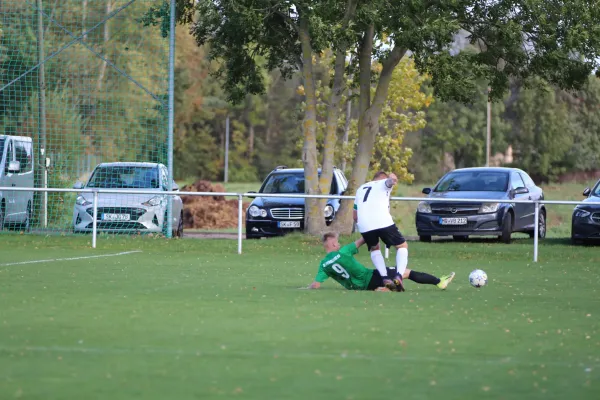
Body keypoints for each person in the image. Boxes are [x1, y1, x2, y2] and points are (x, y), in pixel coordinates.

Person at [305, 233, 455, 292]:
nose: (338, 244)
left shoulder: (323, 265)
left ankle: (383, 289)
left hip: (357, 288)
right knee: (405, 272)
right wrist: (374, 231)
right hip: (370, 276)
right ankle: (439, 282)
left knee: (384, 283)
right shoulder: (343, 251)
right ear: (332, 245)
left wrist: (302, 289)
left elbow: (316, 285)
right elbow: (362, 240)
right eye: (336, 242)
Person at [354, 171, 409, 291]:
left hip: (364, 224)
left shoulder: (361, 188)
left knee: (375, 248)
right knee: (402, 246)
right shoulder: (383, 183)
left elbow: (355, 215)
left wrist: (362, 226)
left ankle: (385, 277)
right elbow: (389, 182)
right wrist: (392, 179)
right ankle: (398, 275)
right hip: (382, 221)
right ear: (381, 179)